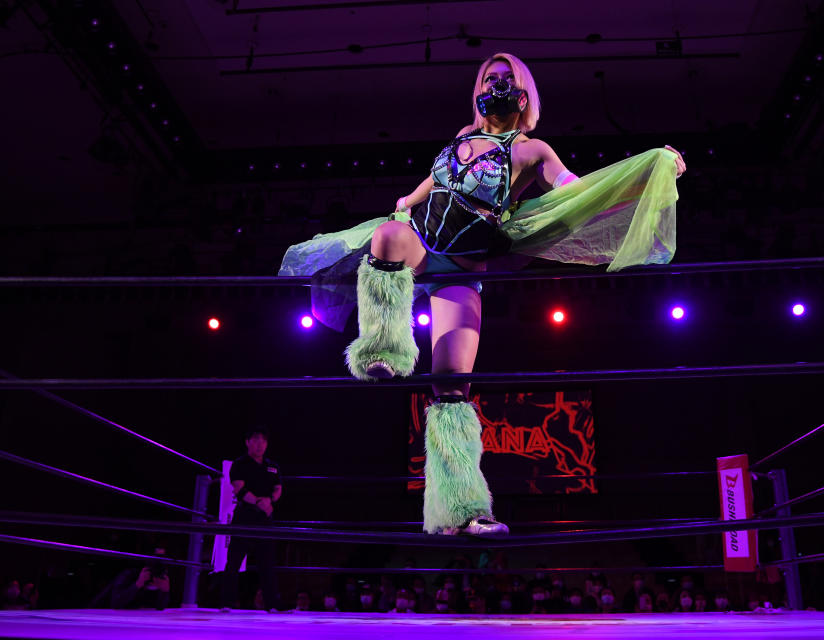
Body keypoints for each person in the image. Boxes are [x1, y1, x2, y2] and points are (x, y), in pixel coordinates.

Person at [279, 52, 684, 538]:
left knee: (450, 389)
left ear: (524, 92)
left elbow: (575, 191)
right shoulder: (461, 137)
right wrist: (409, 200)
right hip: (423, 245)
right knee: (387, 236)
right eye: (488, 78)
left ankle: (461, 510)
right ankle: (381, 352)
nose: (495, 85)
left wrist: (645, 173)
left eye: (505, 79)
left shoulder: (532, 151)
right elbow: (438, 181)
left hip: (461, 272)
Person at [221, 428, 282, 612]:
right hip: (245, 515)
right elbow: (238, 488)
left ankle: (272, 605)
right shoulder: (239, 464)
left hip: (265, 518)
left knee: (267, 562)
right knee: (234, 560)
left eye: (263, 441)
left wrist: (269, 500)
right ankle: (226, 603)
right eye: (256, 440)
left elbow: (278, 488)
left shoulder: (272, 466)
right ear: (247, 442)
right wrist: (257, 501)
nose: (259, 444)